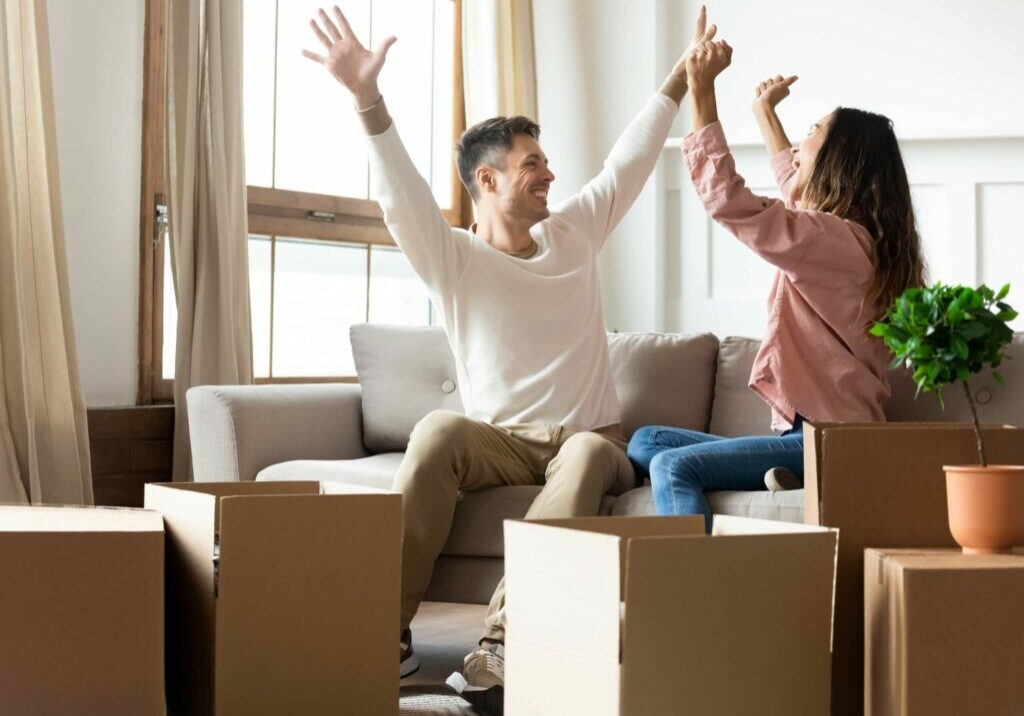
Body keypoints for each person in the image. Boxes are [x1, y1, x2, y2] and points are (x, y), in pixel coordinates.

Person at [302, 4, 716, 711]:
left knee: (586, 456)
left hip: (588, 439)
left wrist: (678, 80)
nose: (549, 174)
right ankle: (381, 631)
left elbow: (631, 160)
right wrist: (368, 100)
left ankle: (502, 644)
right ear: (486, 182)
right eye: (533, 164)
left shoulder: (575, 233)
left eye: (547, 162)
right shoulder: (454, 259)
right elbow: (400, 200)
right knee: (436, 430)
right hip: (499, 442)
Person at [628, 33, 927, 532]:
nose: (801, 142)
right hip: (810, 437)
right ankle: (784, 474)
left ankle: (692, 598)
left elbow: (731, 202)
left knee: (671, 464)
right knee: (646, 441)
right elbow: (797, 192)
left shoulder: (835, 241)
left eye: (813, 130)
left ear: (839, 158)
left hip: (828, 440)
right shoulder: (847, 237)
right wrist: (765, 113)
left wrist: (702, 91)